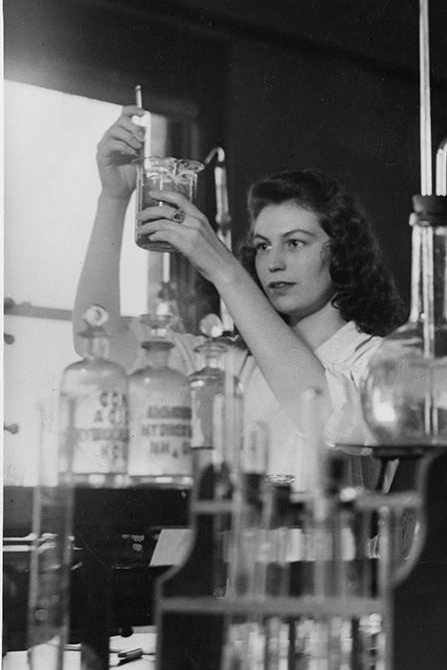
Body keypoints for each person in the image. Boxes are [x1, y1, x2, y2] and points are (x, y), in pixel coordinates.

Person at [75, 107, 404, 492]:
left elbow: (323, 411)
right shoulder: (223, 362)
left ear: (342, 251)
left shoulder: (382, 363)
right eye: (263, 246)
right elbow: (94, 338)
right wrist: (113, 199)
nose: (274, 262)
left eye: (295, 242)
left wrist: (223, 269)